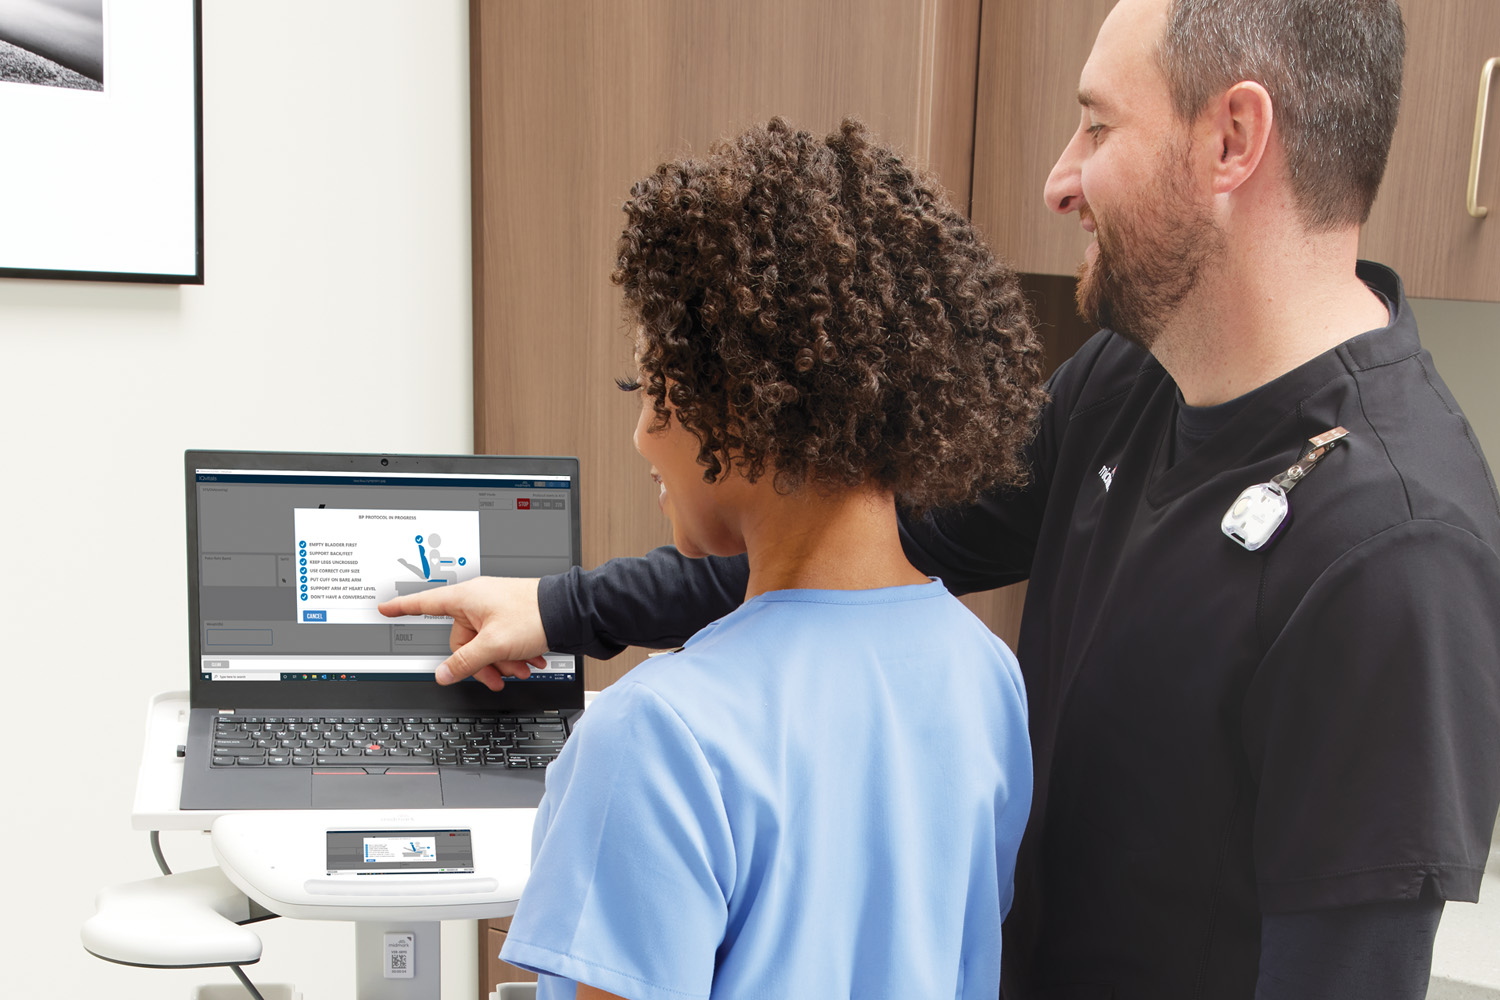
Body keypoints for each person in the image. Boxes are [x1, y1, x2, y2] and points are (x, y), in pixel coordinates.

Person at [390, 1, 1500, 997]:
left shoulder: (1395, 551)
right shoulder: (1125, 382)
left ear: (1233, 139)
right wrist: (569, 607)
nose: (1060, 178)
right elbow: (848, 541)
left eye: (1099, 128)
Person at [382, 118, 1044, 998]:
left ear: (739, 406)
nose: (640, 436)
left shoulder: (655, 737)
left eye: (653, 391)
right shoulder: (988, 677)